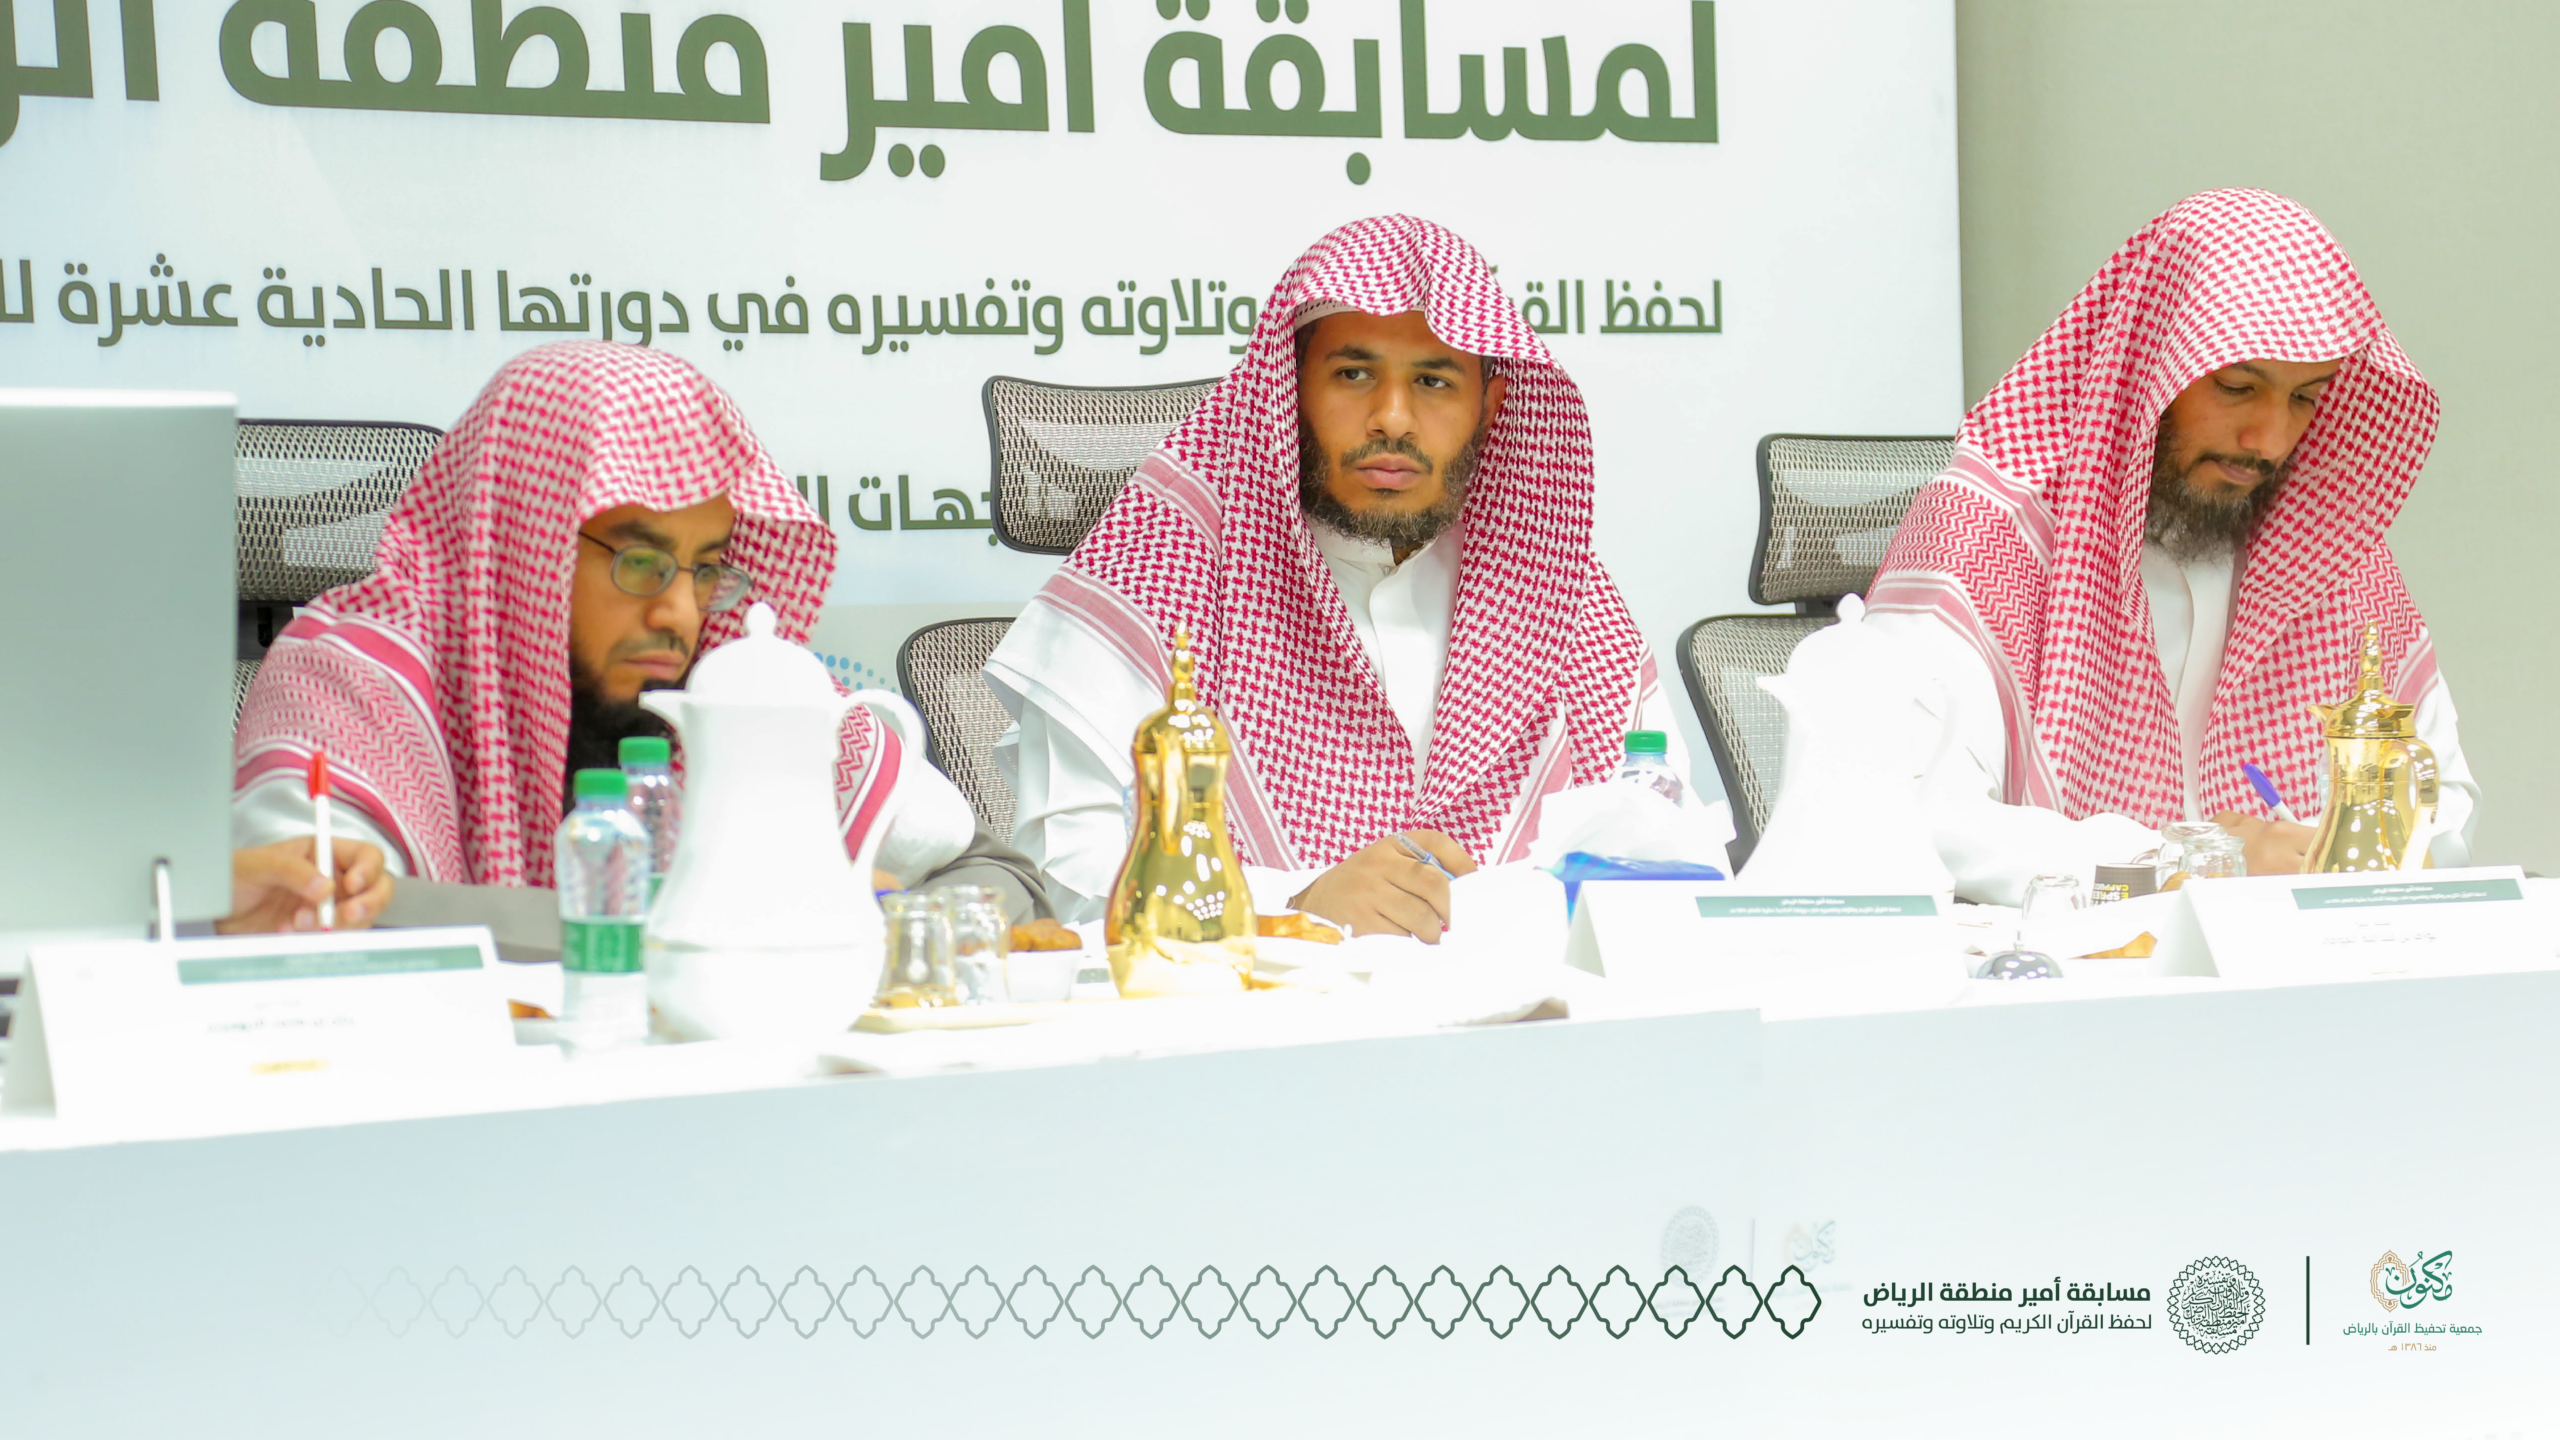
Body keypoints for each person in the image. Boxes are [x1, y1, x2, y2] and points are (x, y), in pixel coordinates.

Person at [985, 215, 1718, 939]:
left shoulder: (1551, 581)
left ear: (1488, 409)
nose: (1392, 418)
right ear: (1289, 390)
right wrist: (1293, 904)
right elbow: (1071, 883)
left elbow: (1669, 849)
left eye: (1433, 380)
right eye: (1354, 374)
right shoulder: (1160, 565)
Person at [226, 342, 1042, 931]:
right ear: (527, 544)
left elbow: (998, 874)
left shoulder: (732, 688)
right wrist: (730, 925)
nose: (681, 613)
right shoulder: (347, 685)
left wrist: (894, 921)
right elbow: (318, 915)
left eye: (705, 568)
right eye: (641, 562)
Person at [1820, 189, 2478, 904]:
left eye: (2305, 398)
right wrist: (2191, 861)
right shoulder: (1987, 533)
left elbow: (2443, 798)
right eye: (2238, 387)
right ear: (2151, 366)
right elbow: (1916, 813)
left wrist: (2352, 847)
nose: (2270, 441)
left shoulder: (2326, 545)